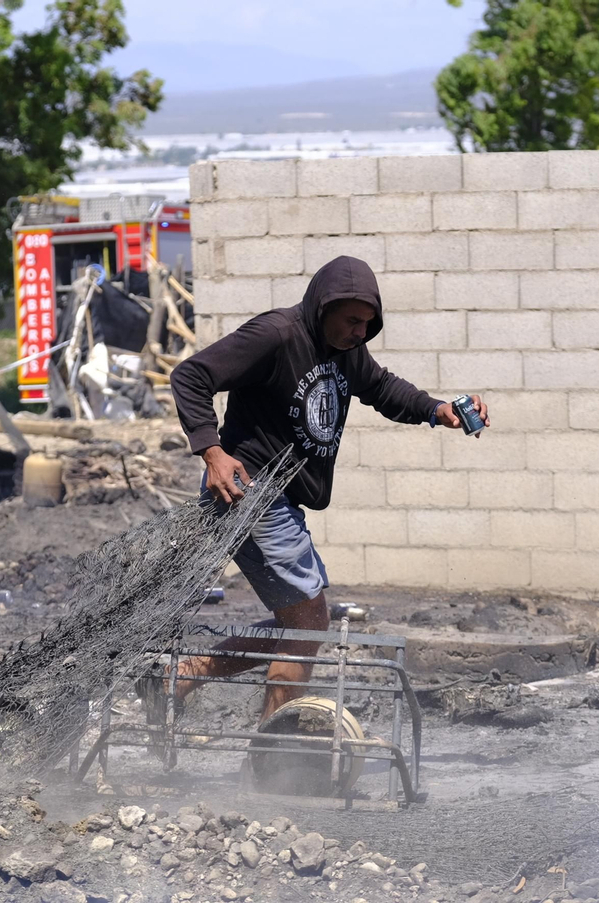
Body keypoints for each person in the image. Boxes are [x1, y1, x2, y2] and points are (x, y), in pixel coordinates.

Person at [166, 255, 487, 724]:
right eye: (352, 321)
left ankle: (185, 679)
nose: (360, 331)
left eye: (368, 323)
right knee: (309, 622)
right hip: (252, 493)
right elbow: (190, 376)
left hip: (281, 501)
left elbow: (383, 388)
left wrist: (438, 410)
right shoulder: (276, 335)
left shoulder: (346, 351)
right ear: (323, 308)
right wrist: (212, 452)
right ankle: (272, 755)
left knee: (302, 623)